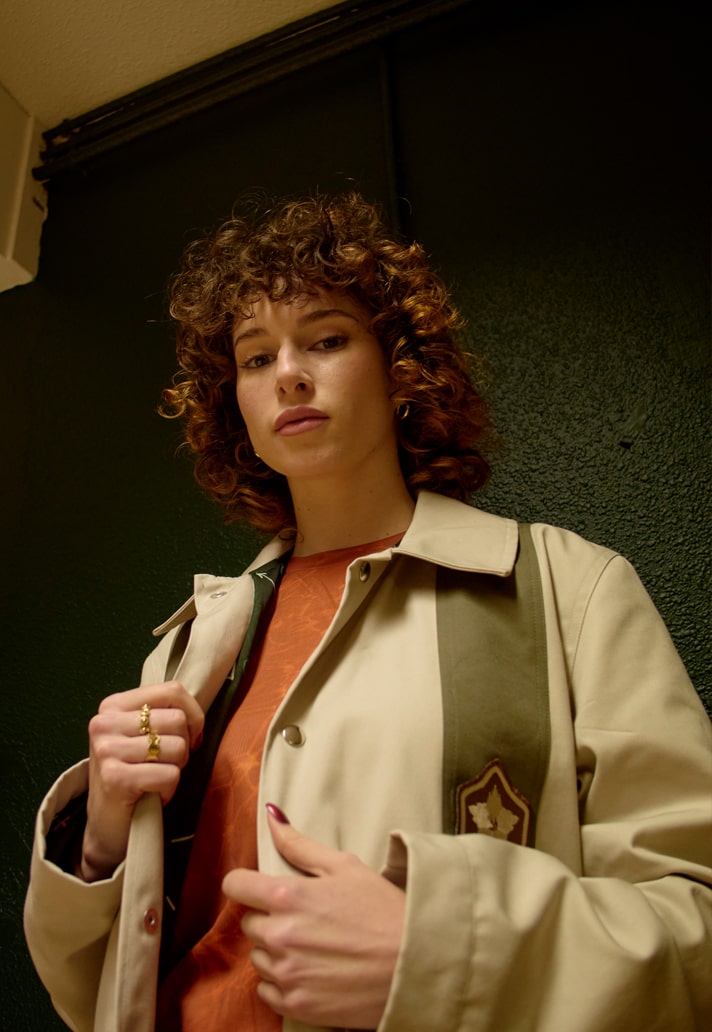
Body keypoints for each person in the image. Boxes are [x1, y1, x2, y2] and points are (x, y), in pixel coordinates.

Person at [25, 193, 712, 1032]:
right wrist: (100, 837)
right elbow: (94, 995)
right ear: (236, 405)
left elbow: (696, 930)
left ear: (399, 369)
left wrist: (446, 955)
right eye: (255, 357)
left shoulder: (570, 589)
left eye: (326, 339)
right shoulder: (188, 653)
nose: (288, 373)